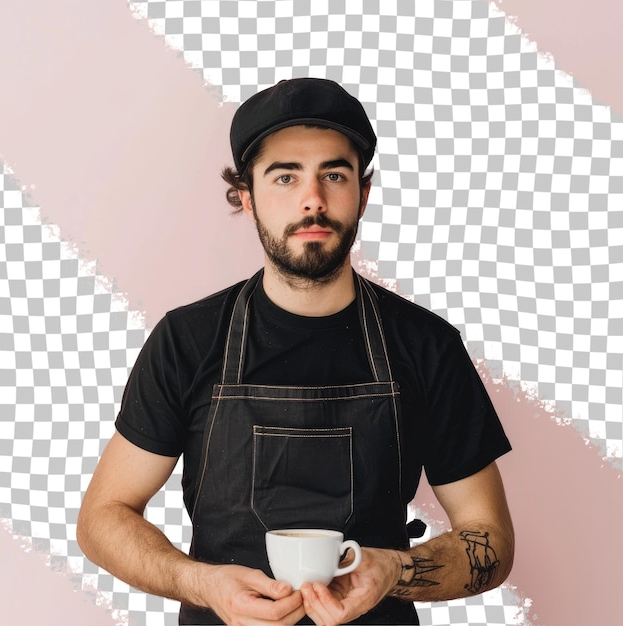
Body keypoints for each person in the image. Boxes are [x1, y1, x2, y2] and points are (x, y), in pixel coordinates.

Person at [77, 78, 514, 625]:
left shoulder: (427, 345)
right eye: (285, 176)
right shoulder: (187, 341)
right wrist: (202, 582)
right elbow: (102, 516)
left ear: (363, 192)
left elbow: (489, 537)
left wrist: (395, 572)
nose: (313, 199)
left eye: (334, 174)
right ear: (245, 195)